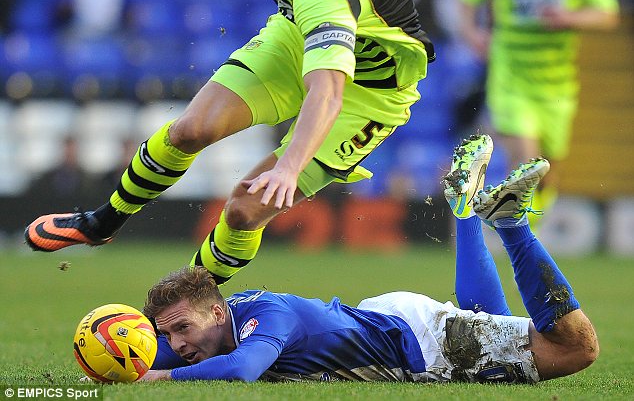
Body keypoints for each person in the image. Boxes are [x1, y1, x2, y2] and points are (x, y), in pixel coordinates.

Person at [25, 0, 435, 286]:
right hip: (297, 35)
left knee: (243, 208)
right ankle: (100, 223)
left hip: (371, 91)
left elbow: (328, 93)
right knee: (189, 131)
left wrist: (289, 165)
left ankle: (185, 309)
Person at [136, 134, 598, 384]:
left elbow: (242, 370)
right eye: (169, 333)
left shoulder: (266, 319)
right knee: (492, 324)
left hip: (416, 344)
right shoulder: (222, 325)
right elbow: (157, 351)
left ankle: (511, 225)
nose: (176, 345)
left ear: (218, 311)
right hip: (387, 322)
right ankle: (468, 213)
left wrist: (160, 381)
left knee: (575, 348)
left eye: (181, 329)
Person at [455, 0, 620, 225]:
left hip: (558, 85)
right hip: (512, 78)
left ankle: (530, 225)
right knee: (527, 163)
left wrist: (569, 18)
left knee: (548, 168)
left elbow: (608, 14)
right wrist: (472, 32)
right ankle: (523, 237)